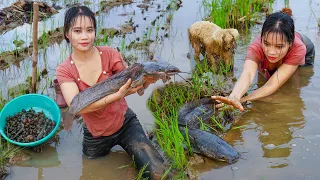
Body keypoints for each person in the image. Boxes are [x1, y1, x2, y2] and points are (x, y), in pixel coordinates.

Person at [55, 6, 166, 179]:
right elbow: (77, 107)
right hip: (95, 134)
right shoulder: (64, 70)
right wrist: (113, 97)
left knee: (158, 173)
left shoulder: (110, 54)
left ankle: (141, 143)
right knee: (91, 171)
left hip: (125, 123)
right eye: (77, 31)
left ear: (95, 32)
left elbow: (128, 85)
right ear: (67, 34)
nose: (85, 36)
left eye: (90, 30)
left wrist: (144, 82)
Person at [212, 9, 315, 111]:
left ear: (290, 44)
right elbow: (248, 74)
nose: (271, 52)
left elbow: (273, 84)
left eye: (279, 46)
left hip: (305, 50)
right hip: (281, 45)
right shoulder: (256, 47)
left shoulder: (298, 48)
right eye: (266, 44)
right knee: (263, 76)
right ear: (261, 39)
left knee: (291, 86)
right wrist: (234, 97)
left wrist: (243, 100)